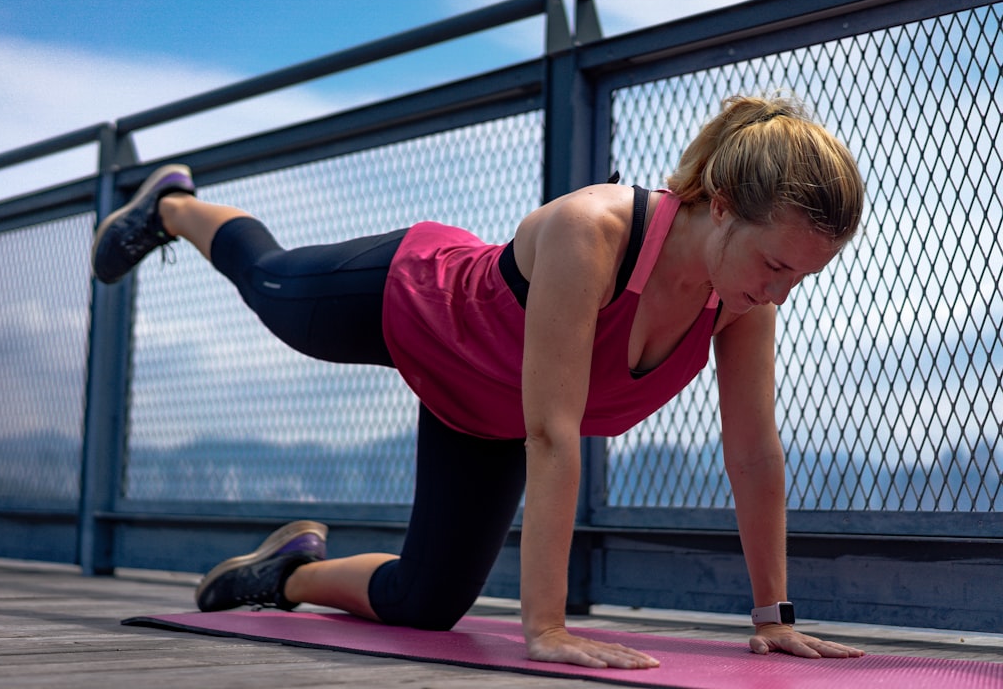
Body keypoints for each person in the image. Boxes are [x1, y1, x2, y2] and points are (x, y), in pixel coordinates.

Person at [92, 94, 866, 670]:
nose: (781, 293)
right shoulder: (592, 232)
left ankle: (287, 573)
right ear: (722, 207)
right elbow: (554, 434)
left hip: (484, 410)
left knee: (426, 605)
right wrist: (547, 626)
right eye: (775, 265)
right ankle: (174, 205)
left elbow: (755, 455)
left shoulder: (742, 303)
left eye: (802, 276)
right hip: (416, 303)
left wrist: (772, 615)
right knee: (272, 291)